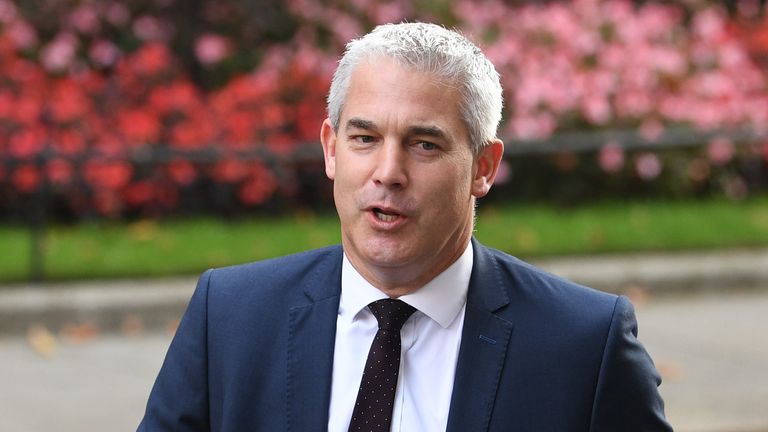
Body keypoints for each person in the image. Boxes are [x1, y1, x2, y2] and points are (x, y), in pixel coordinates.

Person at [139, 23, 672, 431]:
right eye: (365, 138)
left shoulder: (584, 344)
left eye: (424, 144)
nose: (388, 173)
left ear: (483, 168)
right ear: (330, 149)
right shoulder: (228, 316)